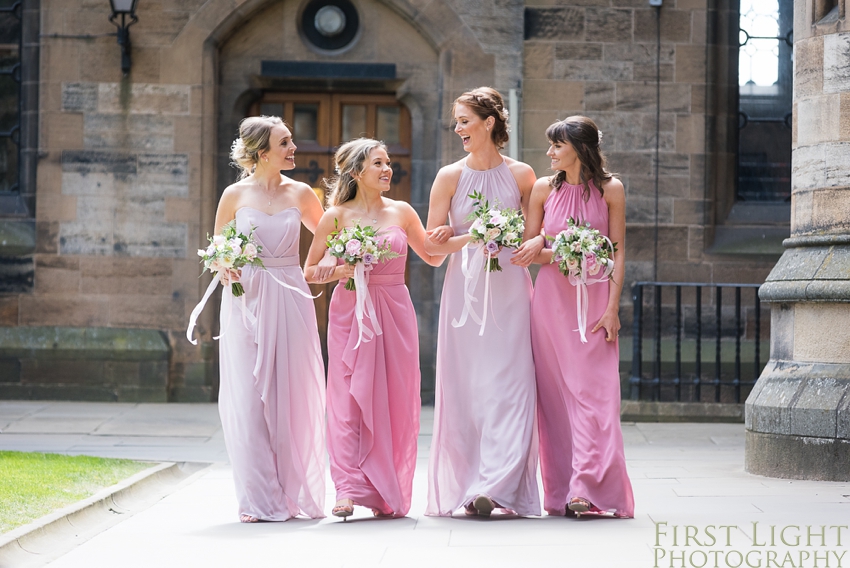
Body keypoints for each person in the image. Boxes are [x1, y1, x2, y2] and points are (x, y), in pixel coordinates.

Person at [304, 138, 445, 520]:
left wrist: (478, 240)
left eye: (388, 163)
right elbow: (309, 272)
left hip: (394, 312)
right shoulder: (335, 217)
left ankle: (385, 489)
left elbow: (431, 256)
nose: (388, 170)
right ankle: (347, 489)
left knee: (393, 401)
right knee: (348, 400)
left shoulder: (402, 212)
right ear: (355, 172)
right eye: (379, 164)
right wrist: (339, 270)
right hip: (351, 310)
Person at [423, 87, 543, 518]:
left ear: (488, 123)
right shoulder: (448, 177)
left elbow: (532, 239)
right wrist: (472, 235)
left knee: (511, 388)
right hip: (464, 297)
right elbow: (433, 252)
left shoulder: (524, 175)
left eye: (464, 121)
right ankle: (469, 484)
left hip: (511, 290)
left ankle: (497, 485)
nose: (458, 129)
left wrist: (516, 238)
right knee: (468, 390)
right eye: (456, 122)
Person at [214, 115, 336, 523]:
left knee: (290, 397)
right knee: (247, 400)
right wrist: (224, 267)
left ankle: (293, 492)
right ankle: (258, 498)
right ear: (262, 151)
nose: (293, 148)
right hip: (244, 298)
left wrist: (329, 268)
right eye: (285, 142)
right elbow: (219, 249)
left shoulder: (302, 193)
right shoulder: (233, 195)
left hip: (289, 296)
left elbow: (330, 241)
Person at [523, 116, 634, 518]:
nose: (550, 153)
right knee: (556, 400)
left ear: (579, 148)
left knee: (594, 396)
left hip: (595, 301)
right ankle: (566, 489)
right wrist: (554, 248)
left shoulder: (610, 189)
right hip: (551, 304)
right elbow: (529, 252)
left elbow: (618, 250)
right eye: (551, 145)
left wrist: (612, 307)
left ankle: (589, 487)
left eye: (557, 145)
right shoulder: (541, 189)